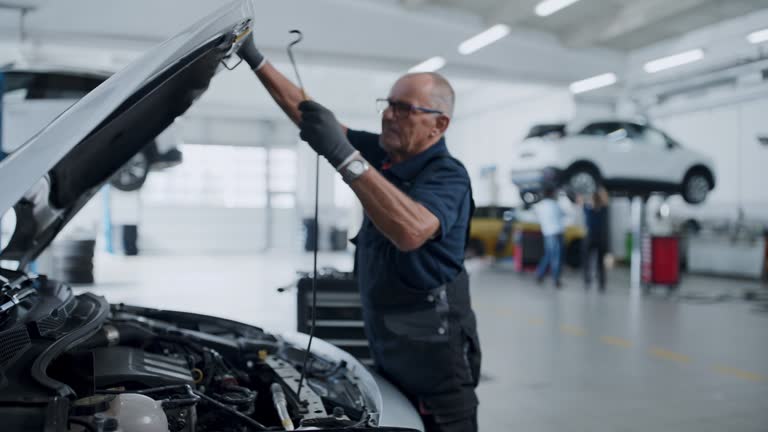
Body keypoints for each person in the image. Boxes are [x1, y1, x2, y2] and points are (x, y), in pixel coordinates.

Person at [237, 35, 481, 432]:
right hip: (391, 353)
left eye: (404, 109)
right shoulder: (386, 155)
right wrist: (255, 58)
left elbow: (412, 230)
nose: (389, 115)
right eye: (388, 104)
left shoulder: (447, 176)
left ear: (439, 124)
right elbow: (313, 118)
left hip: (438, 370)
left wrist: (345, 158)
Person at [534, 187, 565, 287]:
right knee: (557, 257)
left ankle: (539, 274)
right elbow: (563, 214)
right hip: (556, 233)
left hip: (547, 233)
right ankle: (556, 279)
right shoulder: (554, 204)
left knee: (548, 255)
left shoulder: (540, 206)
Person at [582, 187, 610, 291]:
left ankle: (599, 283)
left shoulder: (599, 209)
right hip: (593, 237)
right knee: (591, 262)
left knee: (598, 262)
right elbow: (582, 199)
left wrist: (599, 189)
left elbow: (605, 199)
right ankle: (590, 281)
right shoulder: (590, 209)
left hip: (596, 237)